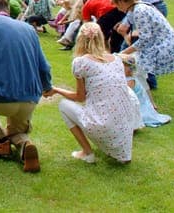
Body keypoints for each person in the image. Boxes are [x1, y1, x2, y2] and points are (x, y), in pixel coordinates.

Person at [0, 0, 52, 173]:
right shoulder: (29, 29)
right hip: (30, 98)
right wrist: (47, 87)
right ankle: (24, 144)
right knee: (15, 128)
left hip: (0, 96)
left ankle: (0, 142)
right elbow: (44, 67)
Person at [43, 23, 141, 164]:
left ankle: (87, 153)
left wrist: (56, 90)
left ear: (80, 40)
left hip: (104, 126)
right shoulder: (116, 60)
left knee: (64, 105)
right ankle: (119, 151)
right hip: (125, 127)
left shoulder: (81, 63)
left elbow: (80, 97)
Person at [111, 0, 174, 77]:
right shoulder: (141, 6)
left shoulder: (139, 11)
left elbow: (145, 40)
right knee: (136, 70)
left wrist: (123, 53)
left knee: (133, 69)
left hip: (163, 47)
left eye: (117, 6)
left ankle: (142, 88)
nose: (118, 9)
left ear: (120, 2)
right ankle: (144, 89)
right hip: (170, 43)